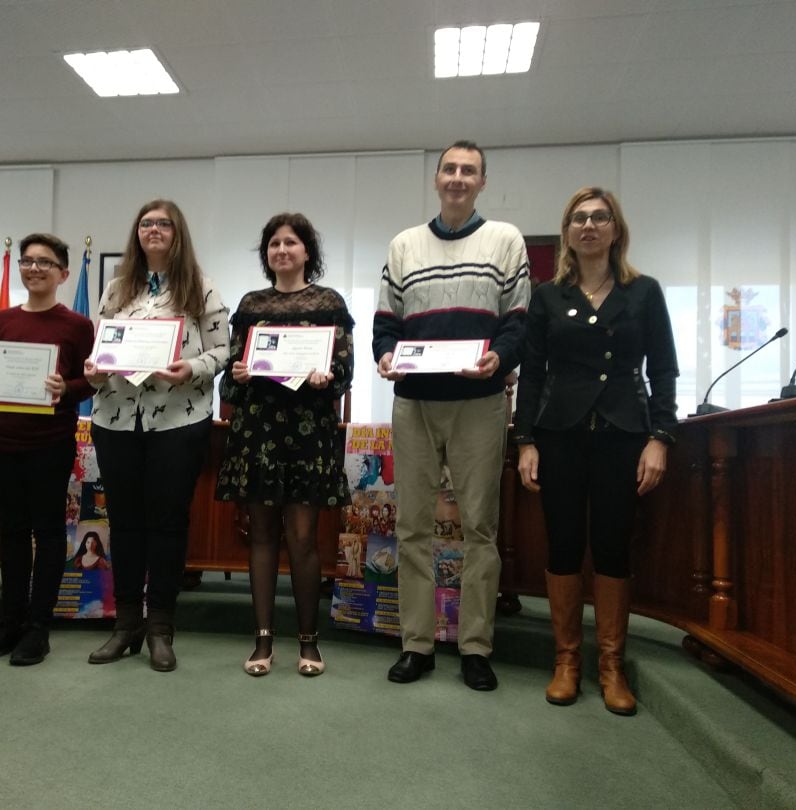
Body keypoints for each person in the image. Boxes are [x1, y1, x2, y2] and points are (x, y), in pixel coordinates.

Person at [513, 187, 678, 715]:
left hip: (623, 432)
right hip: (559, 434)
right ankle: (567, 661)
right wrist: (525, 441)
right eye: (579, 218)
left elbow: (664, 370)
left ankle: (611, 665)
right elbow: (532, 374)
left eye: (599, 217)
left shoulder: (644, 292)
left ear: (616, 230)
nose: (589, 225)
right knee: (562, 545)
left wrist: (659, 437)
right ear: (567, 232)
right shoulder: (547, 296)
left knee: (612, 546)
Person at [373, 140, 531, 690]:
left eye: (469, 170)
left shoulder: (505, 239)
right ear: (436, 179)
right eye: (450, 169)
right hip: (415, 402)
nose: (458, 178)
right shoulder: (404, 245)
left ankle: (475, 647)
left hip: (480, 404)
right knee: (412, 526)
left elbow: (518, 319)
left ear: (482, 182)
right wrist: (384, 356)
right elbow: (385, 320)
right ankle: (416, 644)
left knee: (479, 530)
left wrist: (500, 359)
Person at [85, 199, 229, 672]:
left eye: (163, 224)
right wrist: (92, 371)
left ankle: (161, 628)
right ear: (137, 233)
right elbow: (99, 352)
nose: (154, 230)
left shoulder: (201, 289)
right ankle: (125, 624)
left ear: (177, 233)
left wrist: (191, 367)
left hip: (177, 421)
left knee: (167, 525)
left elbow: (223, 351)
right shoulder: (115, 291)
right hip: (116, 420)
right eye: (146, 223)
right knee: (124, 523)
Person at [216, 213, 354, 677]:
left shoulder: (329, 303)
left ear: (307, 252)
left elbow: (344, 374)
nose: (281, 250)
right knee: (262, 537)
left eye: (290, 242)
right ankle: (262, 641)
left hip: (308, 432)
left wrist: (325, 377)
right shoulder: (251, 305)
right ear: (266, 254)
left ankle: (309, 642)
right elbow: (231, 384)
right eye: (273, 244)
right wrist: (236, 375)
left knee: (302, 539)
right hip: (258, 433)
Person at [0, 233, 95, 666]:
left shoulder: (77, 325)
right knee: (13, 533)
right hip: (0, 442)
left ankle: (39, 628)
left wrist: (67, 387)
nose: (34, 268)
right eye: (27, 261)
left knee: (49, 533)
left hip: (49, 444)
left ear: (63, 273)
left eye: (44, 262)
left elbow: (92, 380)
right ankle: (10, 622)